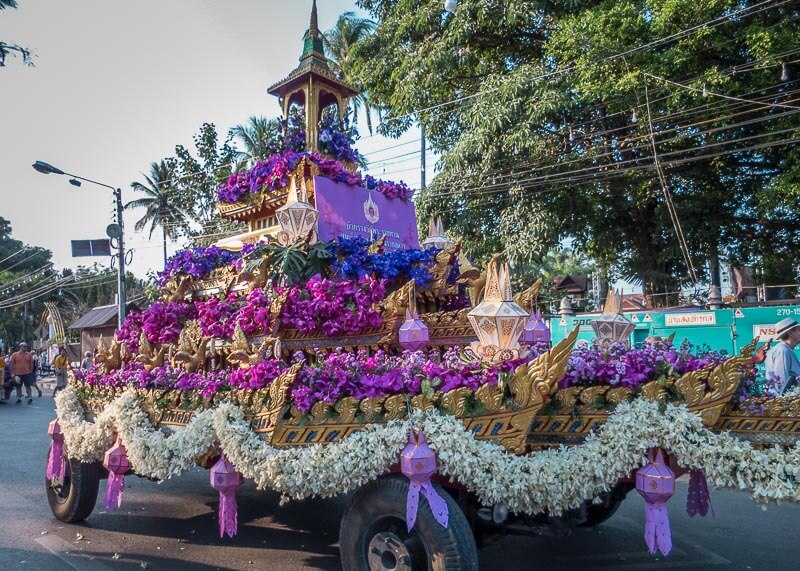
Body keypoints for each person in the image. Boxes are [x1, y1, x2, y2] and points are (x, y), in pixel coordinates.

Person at [764, 318, 800, 395]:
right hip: (784, 402)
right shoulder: (782, 350)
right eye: (799, 331)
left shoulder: (785, 349)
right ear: (790, 333)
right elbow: (781, 384)